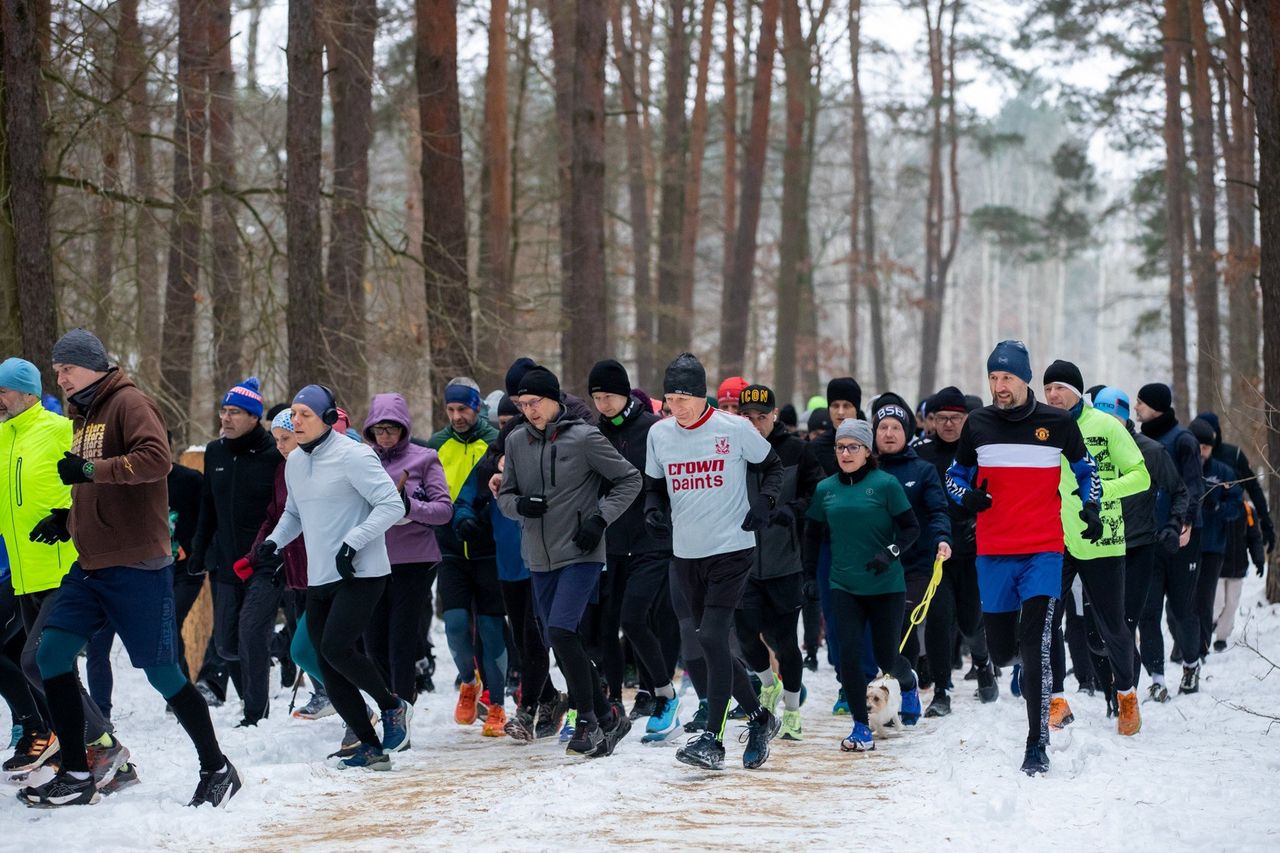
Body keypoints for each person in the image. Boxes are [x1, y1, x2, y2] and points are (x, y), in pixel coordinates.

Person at [22, 330, 238, 807]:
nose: (60, 377)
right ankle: (79, 774)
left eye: (67, 368)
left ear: (93, 365)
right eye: (57, 370)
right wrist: (69, 517)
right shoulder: (86, 414)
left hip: (138, 565)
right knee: (50, 657)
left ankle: (217, 766)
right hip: (92, 563)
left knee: (163, 674)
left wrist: (89, 473)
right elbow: (95, 484)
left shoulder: (128, 403)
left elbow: (155, 461)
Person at [945, 340, 1101, 777]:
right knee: (1001, 650)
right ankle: (1019, 670)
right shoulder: (978, 424)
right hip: (994, 552)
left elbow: (1086, 470)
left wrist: (1090, 506)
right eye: (993, 378)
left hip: (1043, 550)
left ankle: (1037, 743)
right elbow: (953, 477)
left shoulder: (1057, 422)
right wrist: (968, 497)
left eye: (1007, 378)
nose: (999, 386)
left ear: (1025, 378)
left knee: (1036, 646)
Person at [644, 353, 784, 770]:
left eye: (683, 398)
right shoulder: (660, 435)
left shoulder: (734, 428)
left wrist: (764, 503)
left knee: (711, 638)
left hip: (732, 548)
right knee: (712, 642)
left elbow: (773, 467)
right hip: (686, 554)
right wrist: (653, 511)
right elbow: (653, 486)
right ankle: (760, 718)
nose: (676, 408)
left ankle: (713, 738)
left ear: (701, 395)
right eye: (669, 398)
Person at [261, 384, 412, 770]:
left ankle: (393, 706)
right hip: (321, 576)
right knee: (328, 665)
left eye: (305, 414)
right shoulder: (295, 462)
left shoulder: (354, 456)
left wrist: (353, 541)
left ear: (329, 419)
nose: (296, 421)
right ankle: (369, 746)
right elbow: (294, 513)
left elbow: (391, 504)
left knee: (336, 647)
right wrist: (273, 543)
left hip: (362, 571)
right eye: (293, 413)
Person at [497, 366, 641, 757]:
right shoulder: (515, 443)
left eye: (534, 402)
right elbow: (505, 497)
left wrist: (599, 519)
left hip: (580, 552)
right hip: (538, 558)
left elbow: (630, 480)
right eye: (522, 405)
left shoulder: (585, 437)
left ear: (554, 399)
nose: (528, 411)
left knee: (561, 632)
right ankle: (610, 715)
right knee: (557, 640)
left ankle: (589, 721)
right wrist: (520, 506)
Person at [0, 357, 110, 783]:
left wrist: (65, 514)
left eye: (4, 390)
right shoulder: (5, 438)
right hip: (24, 573)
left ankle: (102, 744)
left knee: (37, 662)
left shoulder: (60, 429)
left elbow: (93, 483)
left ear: (28, 392)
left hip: (64, 570)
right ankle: (87, 751)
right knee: (53, 668)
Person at [1041, 361, 1149, 737]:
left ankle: (1126, 696)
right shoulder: (1041, 429)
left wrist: (1106, 490)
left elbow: (1141, 474)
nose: (1052, 395)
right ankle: (1055, 700)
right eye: (1047, 388)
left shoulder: (1104, 426)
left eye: (1059, 388)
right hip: (1055, 536)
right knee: (1047, 620)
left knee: (1111, 625)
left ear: (1077, 390)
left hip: (1101, 536)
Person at [453, 403, 568, 742]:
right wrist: (465, 520)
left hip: (544, 559)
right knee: (521, 641)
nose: (507, 429)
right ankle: (550, 699)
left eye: (511, 421)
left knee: (536, 638)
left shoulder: (542, 453)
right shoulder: (492, 462)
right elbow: (466, 498)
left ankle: (527, 709)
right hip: (507, 562)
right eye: (501, 423)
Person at [806, 419, 921, 752]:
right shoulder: (825, 489)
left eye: (853, 447)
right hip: (844, 585)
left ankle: (909, 682)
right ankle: (860, 726)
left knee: (887, 657)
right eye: (840, 447)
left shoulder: (886, 485)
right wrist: (807, 576)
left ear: (867, 451)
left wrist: (890, 553)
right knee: (850, 658)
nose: (845, 453)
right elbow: (812, 535)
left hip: (886, 586)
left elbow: (911, 529)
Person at [589, 359, 682, 741]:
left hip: (652, 542)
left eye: (609, 395)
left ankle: (664, 693)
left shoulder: (654, 430)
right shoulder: (594, 433)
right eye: (597, 397)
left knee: (635, 617)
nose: (604, 404)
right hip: (610, 544)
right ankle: (612, 701)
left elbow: (671, 478)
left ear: (625, 393)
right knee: (607, 624)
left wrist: (663, 513)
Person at [188, 377, 282, 727]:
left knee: (251, 633)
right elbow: (207, 506)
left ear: (255, 417)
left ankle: (255, 714)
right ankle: (252, 699)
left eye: (235, 413)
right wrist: (199, 551)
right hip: (225, 562)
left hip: (265, 563)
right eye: (223, 411)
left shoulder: (275, 455)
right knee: (227, 645)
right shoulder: (215, 452)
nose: (226, 419)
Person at [736, 384, 823, 741]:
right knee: (744, 635)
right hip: (742, 561)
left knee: (786, 641)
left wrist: (793, 510)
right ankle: (767, 683)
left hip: (785, 561)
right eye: (748, 417)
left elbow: (816, 492)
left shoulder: (798, 451)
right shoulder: (733, 451)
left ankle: (792, 710)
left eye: (762, 417)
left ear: (774, 415)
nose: (755, 424)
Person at [1090, 388, 1189, 699]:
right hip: (1098, 548)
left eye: (1109, 419)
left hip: (1137, 548)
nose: (1103, 427)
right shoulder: (1086, 447)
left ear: (1122, 418)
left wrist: (1173, 525)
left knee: (1123, 628)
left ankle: (1123, 698)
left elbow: (1180, 491)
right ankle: (1113, 694)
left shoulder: (1150, 450)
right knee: (1095, 636)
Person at [361, 394, 454, 713]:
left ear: (404, 428)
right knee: (373, 640)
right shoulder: (363, 458)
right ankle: (388, 701)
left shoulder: (424, 458)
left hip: (414, 559)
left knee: (400, 639)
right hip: (373, 557)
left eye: (391, 429)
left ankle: (400, 706)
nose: (384, 436)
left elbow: (444, 510)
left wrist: (410, 507)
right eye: (378, 429)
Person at [425, 377, 506, 728]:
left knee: (490, 628)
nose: (457, 416)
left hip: (489, 548)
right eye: (451, 409)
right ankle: (469, 682)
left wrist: (481, 519)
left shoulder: (493, 440)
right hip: (451, 549)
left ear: (477, 407)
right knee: (455, 625)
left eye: (464, 409)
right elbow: (427, 490)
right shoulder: (437, 444)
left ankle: (498, 703)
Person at [915, 386, 998, 714]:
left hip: (974, 549)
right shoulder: (920, 454)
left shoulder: (982, 452)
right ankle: (941, 693)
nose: (949, 424)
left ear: (967, 419)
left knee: (969, 622)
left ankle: (982, 663)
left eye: (956, 418)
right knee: (938, 620)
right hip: (935, 552)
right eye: (942, 418)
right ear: (931, 421)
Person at [239, 409, 327, 719]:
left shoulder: (320, 467)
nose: (280, 445)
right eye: (276, 440)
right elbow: (277, 516)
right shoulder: (284, 470)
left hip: (320, 568)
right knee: (299, 641)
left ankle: (344, 697)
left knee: (314, 640)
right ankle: (330, 693)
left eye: (285, 439)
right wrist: (257, 552)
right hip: (290, 568)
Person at [871, 392, 950, 723]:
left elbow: (937, 510)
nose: (889, 433)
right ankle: (898, 685)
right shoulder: (862, 468)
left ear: (906, 432)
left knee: (900, 627)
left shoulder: (923, 469)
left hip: (914, 565)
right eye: (883, 427)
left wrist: (943, 539)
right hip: (871, 565)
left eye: (896, 427)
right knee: (878, 635)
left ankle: (907, 688)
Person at [1133, 383, 1204, 698]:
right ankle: (1158, 678)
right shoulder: (1136, 441)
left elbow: (1193, 486)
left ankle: (1191, 664)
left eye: (1140, 402)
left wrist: (1185, 523)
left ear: (1156, 405)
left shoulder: (1183, 440)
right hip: (1148, 538)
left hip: (1182, 539)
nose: (1136, 407)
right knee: (1148, 612)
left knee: (1182, 609)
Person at [808, 376, 863, 714]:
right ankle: (846, 682)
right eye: (836, 406)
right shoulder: (816, 449)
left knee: (865, 618)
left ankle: (867, 681)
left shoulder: (869, 444)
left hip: (867, 545)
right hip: (829, 545)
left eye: (847, 406)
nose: (841, 412)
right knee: (835, 616)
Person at [1187, 417, 1243, 674]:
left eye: (1206, 448)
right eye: (1197, 447)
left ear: (1212, 447)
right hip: (1185, 543)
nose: (1201, 452)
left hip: (1212, 546)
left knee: (1205, 598)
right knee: (1182, 598)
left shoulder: (1223, 473)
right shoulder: (1181, 467)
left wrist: (1217, 506)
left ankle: (1200, 646)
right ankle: (1184, 643)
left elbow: (1235, 507)